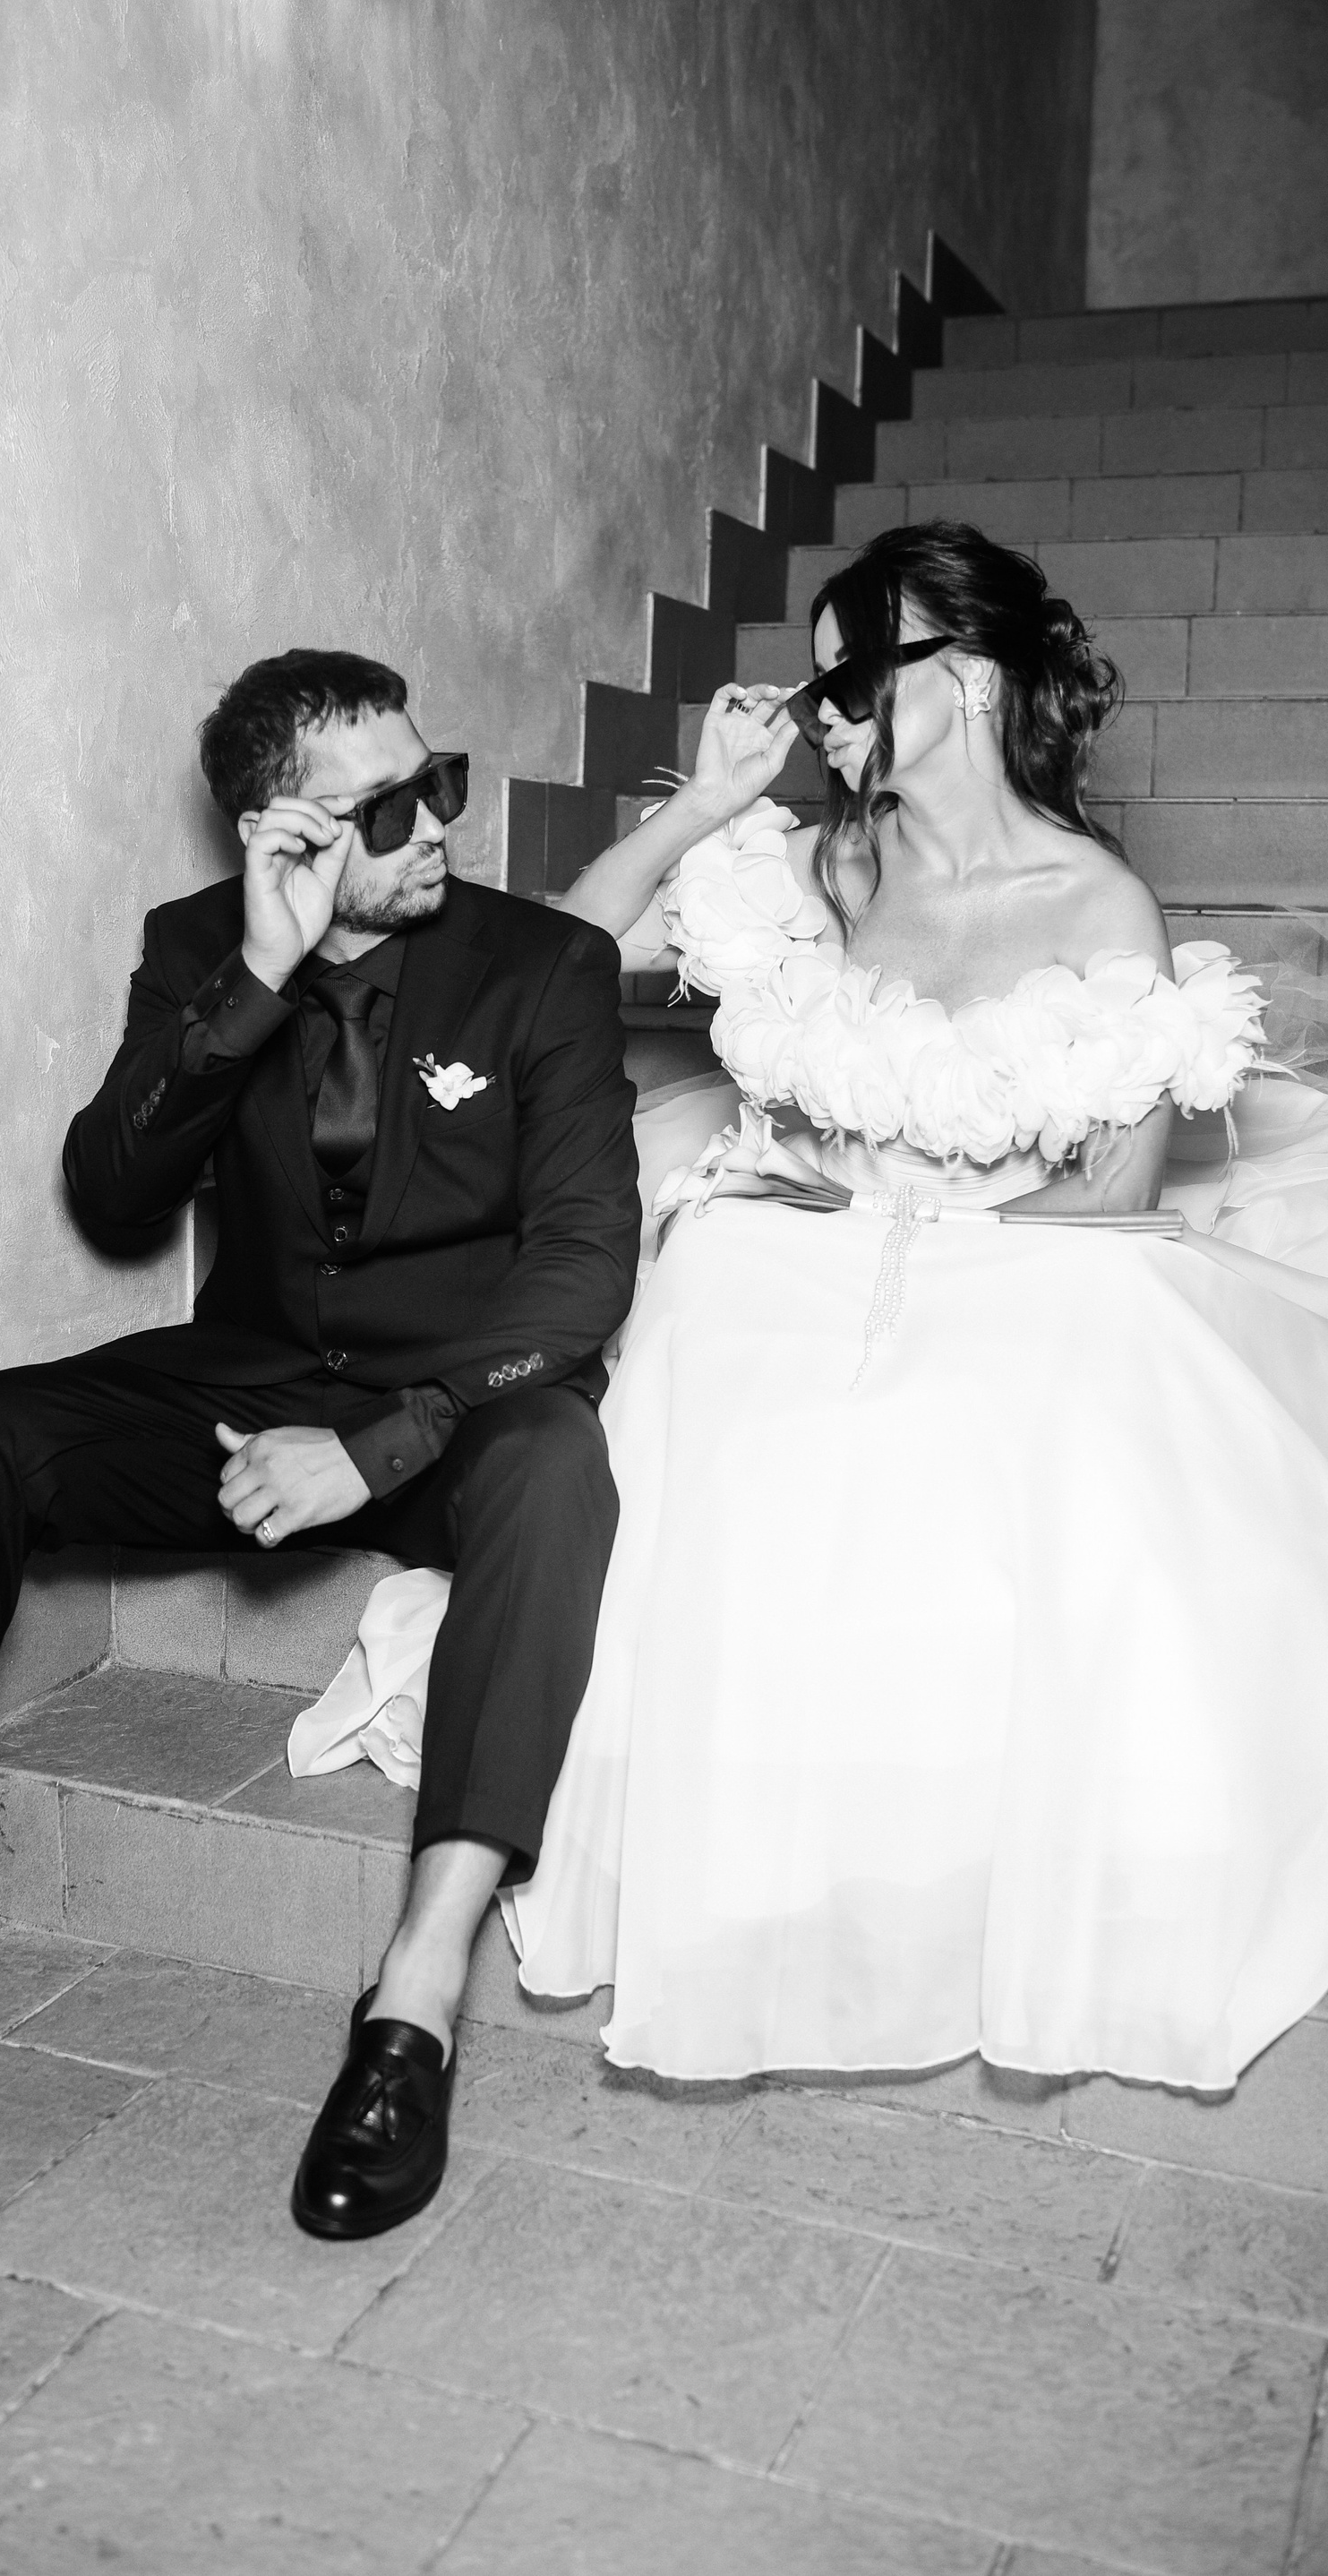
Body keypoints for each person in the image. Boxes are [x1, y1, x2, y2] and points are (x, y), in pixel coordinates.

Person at [0, 648, 642, 2237]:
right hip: (254, 1376)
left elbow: (581, 1269)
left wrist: (381, 1446)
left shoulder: (546, 964)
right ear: (282, 830)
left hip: (462, 1400)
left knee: (561, 1467)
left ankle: (417, 1993)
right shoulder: (198, 948)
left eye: (438, 784)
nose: (440, 824)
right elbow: (113, 1189)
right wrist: (259, 978)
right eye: (388, 808)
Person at [497, 519, 1328, 2090]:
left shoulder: (1099, 908)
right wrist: (712, 803)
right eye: (819, 683)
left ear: (977, 677)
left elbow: (1112, 1199)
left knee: (1053, 1352)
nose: (825, 712)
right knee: (717, 1281)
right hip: (806, 1249)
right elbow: (553, 959)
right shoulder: (827, 866)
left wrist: (922, 1254)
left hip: (1018, 1263)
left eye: (856, 676)